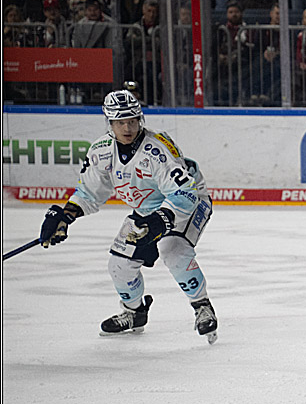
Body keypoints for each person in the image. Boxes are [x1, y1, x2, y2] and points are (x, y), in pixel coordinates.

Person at [38, 90, 217, 342]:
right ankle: (134, 313)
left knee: (172, 248)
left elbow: (184, 193)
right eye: (120, 122)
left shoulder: (157, 149)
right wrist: (64, 216)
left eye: (132, 120)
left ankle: (202, 307)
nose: (128, 127)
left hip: (189, 201)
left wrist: (162, 220)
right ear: (109, 123)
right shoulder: (101, 151)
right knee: (119, 265)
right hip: (148, 210)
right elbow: (88, 193)